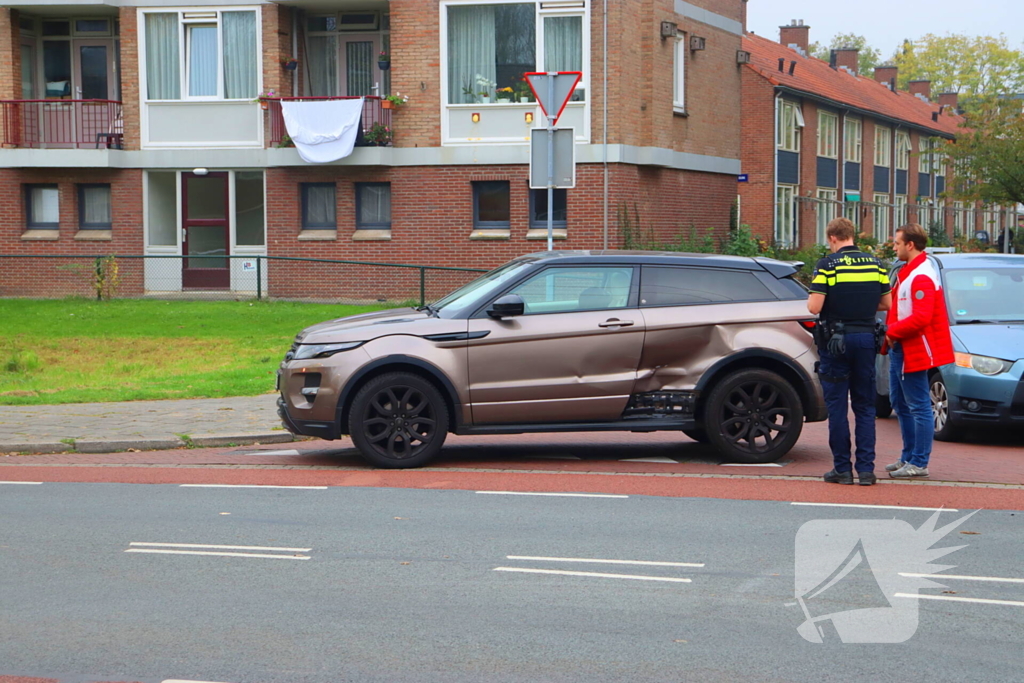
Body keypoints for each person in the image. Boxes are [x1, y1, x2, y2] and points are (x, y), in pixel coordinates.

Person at [807, 218, 892, 486]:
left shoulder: (827, 265)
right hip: (867, 339)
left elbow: (813, 307)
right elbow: (886, 303)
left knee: (837, 407)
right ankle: (866, 470)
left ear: (833, 238)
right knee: (865, 406)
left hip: (836, 342)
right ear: (852, 236)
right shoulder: (876, 265)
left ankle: (842, 470)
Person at [884, 223, 955, 478]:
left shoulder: (921, 274)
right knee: (901, 403)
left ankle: (919, 462)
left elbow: (922, 317)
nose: (894, 247)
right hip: (902, 346)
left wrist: (891, 332)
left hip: (912, 347)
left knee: (918, 405)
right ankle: (908, 457)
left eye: (897, 243)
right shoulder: (910, 271)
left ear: (910, 245)